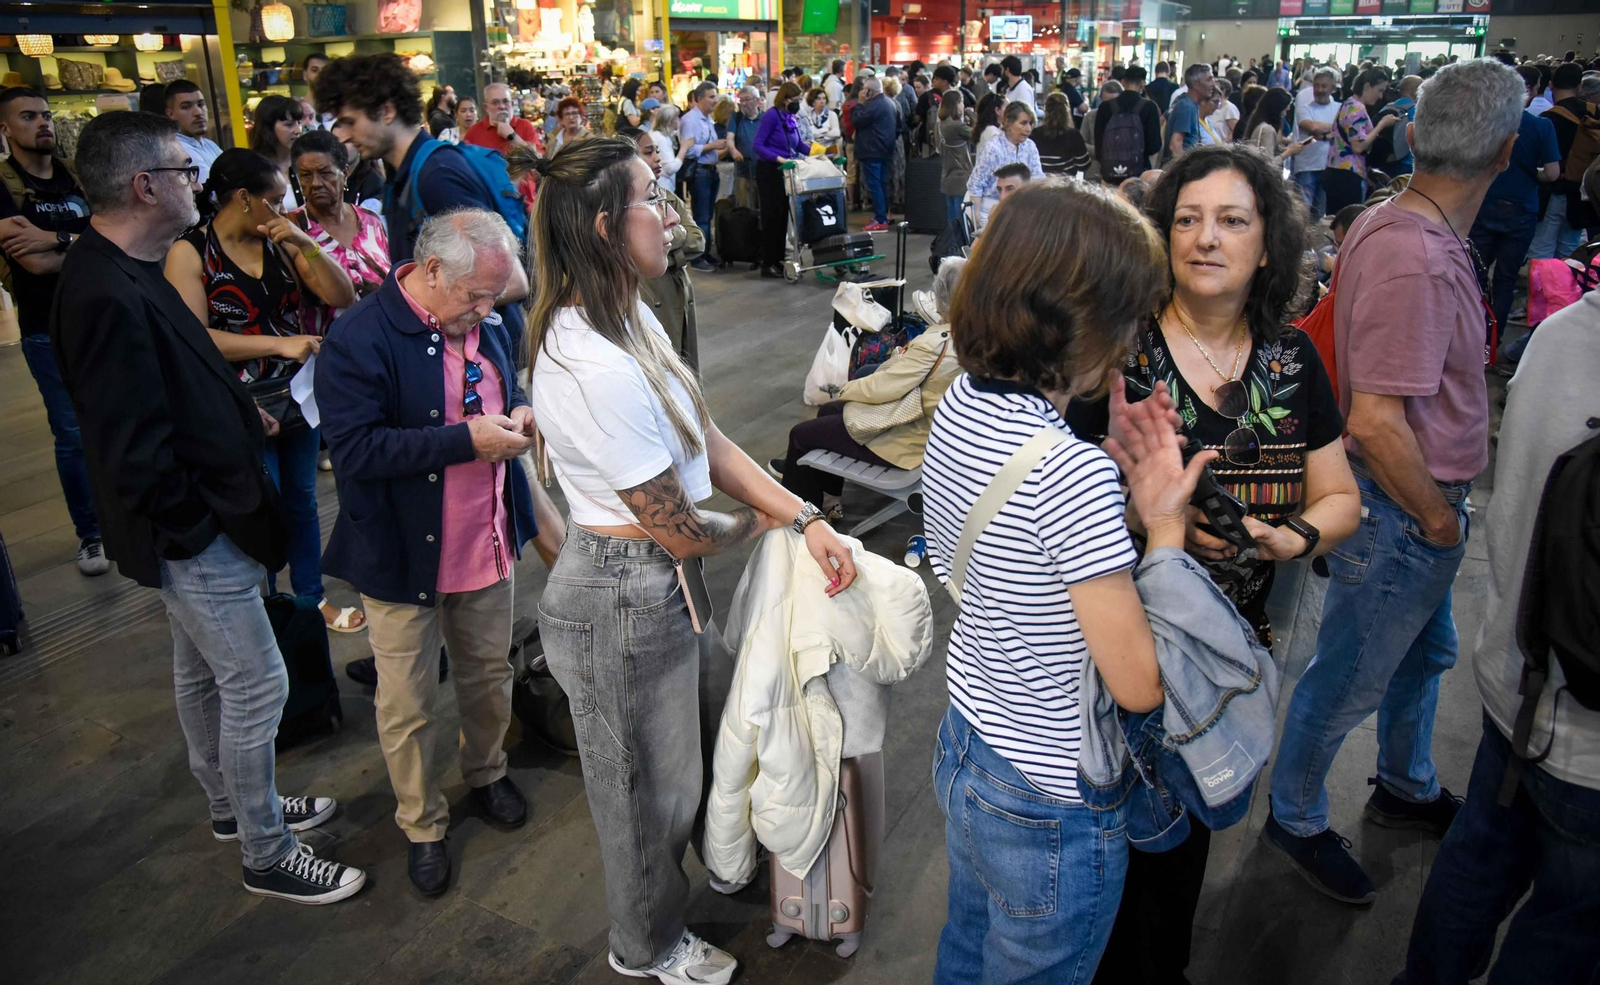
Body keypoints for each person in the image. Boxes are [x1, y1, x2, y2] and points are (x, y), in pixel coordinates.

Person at [524, 134, 857, 985]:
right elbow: (677, 524)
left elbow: (702, 438)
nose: (672, 215)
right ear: (605, 225)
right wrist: (757, 527)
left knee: (689, 759)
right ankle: (644, 945)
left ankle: (695, 884)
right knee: (642, 799)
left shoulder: (628, 310)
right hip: (621, 595)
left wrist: (801, 511)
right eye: (652, 197)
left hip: (660, 583)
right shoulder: (588, 360)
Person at [52, 109, 364, 905]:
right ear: (143, 184)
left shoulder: (134, 261)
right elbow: (126, 444)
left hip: (203, 514)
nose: (197, 182)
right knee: (257, 682)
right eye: (183, 171)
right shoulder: (101, 289)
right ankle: (266, 849)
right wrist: (195, 533)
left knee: (201, 676)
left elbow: (174, 374)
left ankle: (235, 804)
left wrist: (237, 412)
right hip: (193, 528)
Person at [922, 179, 1215, 984]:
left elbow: (1020, 563)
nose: (1130, 342)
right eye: (1125, 319)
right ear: (1078, 321)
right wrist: (1162, 524)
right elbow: (1138, 683)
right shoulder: (1068, 474)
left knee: (967, 948)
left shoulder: (961, 400)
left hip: (972, 741)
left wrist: (1103, 469)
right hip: (1053, 793)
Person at [1081, 145, 1361, 984]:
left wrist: (1295, 538)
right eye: (1187, 219)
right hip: (1114, 653)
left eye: (1232, 220)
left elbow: (1340, 495)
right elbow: (1053, 510)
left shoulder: (1291, 360)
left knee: (1181, 858)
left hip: (1225, 659)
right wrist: (1147, 519)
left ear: (1268, 244)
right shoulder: (1115, 357)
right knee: (1100, 865)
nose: (1206, 238)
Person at [1264, 57, 1526, 906]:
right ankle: (1295, 814)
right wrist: (1439, 523)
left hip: (1414, 505)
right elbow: (1376, 421)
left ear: (1412, 135)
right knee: (1346, 676)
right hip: (1406, 509)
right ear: (1508, 152)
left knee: (1423, 655)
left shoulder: (1393, 219)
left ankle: (1406, 782)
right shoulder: (1413, 252)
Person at [1394, 223, 1600, 984]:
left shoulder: (1558, 335)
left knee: (1477, 861)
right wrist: (1441, 521)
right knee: (1563, 933)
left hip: (1514, 682)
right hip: (1582, 739)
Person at [314, 208, 535, 897]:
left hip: (484, 535)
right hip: (402, 551)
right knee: (406, 701)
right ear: (431, 269)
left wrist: (522, 409)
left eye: (495, 296)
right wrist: (467, 441)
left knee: (487, 674)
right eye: (475, 295)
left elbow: (512, 382)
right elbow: (356, 450)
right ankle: (421, 823)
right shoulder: (359, 336)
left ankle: (488, 772)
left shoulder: (487, 317)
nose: (487, 308)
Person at [164, 148, 360, 630]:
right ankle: (271, 606)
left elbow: (342, 295)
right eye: (275, 199)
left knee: (302, 501)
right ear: (244, 198)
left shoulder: (278, 238)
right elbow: (193, 337)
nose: (284, 207)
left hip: (296, 396)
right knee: (260, 505)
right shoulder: (190, 252)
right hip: (240, 402)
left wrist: (303, 240)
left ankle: (310, 600)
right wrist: (279, 343)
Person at [314, 52, 532, 361]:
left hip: (484, 362)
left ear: (386, 111)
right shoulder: (402, 174)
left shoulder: (436, 174)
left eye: (351, 121)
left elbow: (511, 281)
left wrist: (415, 310)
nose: (345, 136)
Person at [0, 87, 107, 576]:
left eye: (45, 114)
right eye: (28, 116)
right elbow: (32, 263)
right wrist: (79, 244)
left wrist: (56, 239)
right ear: (5, 129)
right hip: (46, 326)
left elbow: (113, 234)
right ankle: (91, 535)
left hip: (103, 316)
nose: (42, 123)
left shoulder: (74, 176)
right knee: (71, 433)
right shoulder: (2, 183)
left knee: (117, 419)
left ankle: (128, 516)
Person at [771, 256, 965, 519]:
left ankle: (800, 526)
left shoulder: (937, 343)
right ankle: (830, 499)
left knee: (801, 436)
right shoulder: (974, 335)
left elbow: (884, 388)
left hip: (907, 441)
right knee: (828, 413)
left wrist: (843, 388)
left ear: (941, 298)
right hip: (933, 431)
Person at [1467, 75, 1560, 340]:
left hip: (1484, 205)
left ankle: (1465, 338)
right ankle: (1491, 343)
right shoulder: (1542, 127)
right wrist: (1533, 172)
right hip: (1521, 210)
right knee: (1505, 281)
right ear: (1529, 92)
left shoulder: (1484, 126)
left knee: (1473, 277)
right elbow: (1553, 174)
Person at [615, 128, 705, 368]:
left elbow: (697, 240)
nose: (657, 158)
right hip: (654, 295)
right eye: (648, 152)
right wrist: (675, 244)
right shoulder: (621, 206)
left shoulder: (669, 197)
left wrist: (665, 249)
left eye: (657, 150)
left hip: (679, 290)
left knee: (686, 364)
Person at [288, 129, 392, 335]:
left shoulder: (370, 220)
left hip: (383, 339)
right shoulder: (293, 228)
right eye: (306, 175)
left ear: (345, 174)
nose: (316, 183)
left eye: (325, 173)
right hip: (329, 347)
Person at [1531, 62, 1596, 261]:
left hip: (1553, 189)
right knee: (1570, 247)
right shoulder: (1594, 113)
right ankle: (1567, 288)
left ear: (1551, 85)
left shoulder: (1547, 119)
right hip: (1582, 191)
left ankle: (1544, 289)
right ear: (1579, 86)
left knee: (1542, 246)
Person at [1325, 67, 1399, 212]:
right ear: (1367, 86)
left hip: (1336, 169)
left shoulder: (1348, 103)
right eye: (1379, 90)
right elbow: (1358, 147)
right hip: (1347, 174)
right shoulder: (1357, 109)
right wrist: (1381, 125)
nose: (1380, 96)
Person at [753, 81, 806, 279]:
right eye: (796, 100)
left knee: (783, 216)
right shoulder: (771, 116)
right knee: (771, 217)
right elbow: (758, 145)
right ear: (785, 100)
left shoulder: (790, 117)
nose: (798, 104)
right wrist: (778, 158)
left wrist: (819, 152)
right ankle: (768, 263)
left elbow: (798, 143)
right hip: (769, 171)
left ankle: (778, 259)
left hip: (786, 171)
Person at [966, 100, 1042, 228]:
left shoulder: (1030, 146)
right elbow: (976, 184)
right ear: (1007, 122)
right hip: (991, 208)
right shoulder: (992, 149)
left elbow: (1037, 178)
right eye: (1023, 123)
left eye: (1031, 123)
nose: (1028, 128)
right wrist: (976, 217)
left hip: (1021, 209)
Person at [679, 82, 728, 269]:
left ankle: (706, 252)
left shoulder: (708, 119)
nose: (715, 101)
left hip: (711, 170)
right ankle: (698, 257)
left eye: (716, 96)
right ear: (699, 99)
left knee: (707, 215)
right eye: (711, 97)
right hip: (699, 172)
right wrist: (712, 146)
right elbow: (688, 150)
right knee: (701, 215)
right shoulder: (690, 120)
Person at [1292, 67, 1342, 220]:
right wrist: (1334, 128)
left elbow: (1342, 130)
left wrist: (1324, 133)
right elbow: (1311, 127)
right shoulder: (1304, 109)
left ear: (1332, 88)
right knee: (1302, 214)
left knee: (1320, 216)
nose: (1319, 90)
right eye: (1316, 85)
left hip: (1329, 166)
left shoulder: (1339, 108)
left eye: (1324, 86)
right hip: (1307, 165)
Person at [852, 75, 898, 232]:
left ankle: (880, 219)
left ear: (869, 91)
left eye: (864, 90)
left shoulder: (872, 106)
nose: (862, 93)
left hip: (872, 150)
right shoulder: (890, 102)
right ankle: (884, 214)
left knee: (875, 184)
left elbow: (856, 120)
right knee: (882, 183)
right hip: (885, 149)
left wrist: (859, 103)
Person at [250, 95, 305, 212]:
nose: (298, 130)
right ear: (268, 128)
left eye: (299, 123)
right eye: (289, 125)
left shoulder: (304, 162)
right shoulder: (256, 171)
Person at [164, 79, 223, 183]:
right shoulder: (176, 148)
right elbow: (213, 191)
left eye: (201, 104)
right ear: (170, 114)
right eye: (186, 107)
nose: (198, 112)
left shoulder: (210, 144)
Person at [465, 82, 543, 156]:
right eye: (495, 103)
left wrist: (513, 137)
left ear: (512, 104)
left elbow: (538, 159)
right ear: (486, 107)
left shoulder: (525, 126)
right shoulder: (474, 132)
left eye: (506, 101)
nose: (502, 106)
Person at [1243, 87, 1311, 165]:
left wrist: (1288, 149)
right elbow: (1268, 163)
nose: (1286, 112)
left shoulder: (1257, 123)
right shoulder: (1268, 130)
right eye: (1285, 109)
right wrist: (1289, 152)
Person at [1032, 91, 1091, 177]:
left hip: (1040, 185)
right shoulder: (1073, 135)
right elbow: (1084, 165)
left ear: (1045, 109)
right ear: (1067, 110)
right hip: (1065, 185)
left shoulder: (1034, 134)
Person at [1165, 62, 1215, 162]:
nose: (1213, 84)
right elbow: (1175, 145)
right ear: (1195, 84)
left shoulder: (1191, 105)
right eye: (1209, 79)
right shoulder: (1186, 106)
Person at [937, 90, 974, 223]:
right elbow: (977, 134)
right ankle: (959, 244)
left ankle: (952, 243)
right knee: (962, 219)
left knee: (951, 219)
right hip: (961, 177)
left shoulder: (939, 126)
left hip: (947, 176)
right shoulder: (957, 126)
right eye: (962, 102)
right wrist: (971, 114)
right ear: (957, 104)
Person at [729, 86, 763, 211]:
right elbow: (730, 138)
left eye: (747, 99)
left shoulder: (765, 118)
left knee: (762, 205)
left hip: (762, 169)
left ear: (757, 100)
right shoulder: (736, 118)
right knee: (744, 207)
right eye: (741, 100)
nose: (743, 104)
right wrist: (734, 151)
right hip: (743, 169)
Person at [648, 102, 691, 195]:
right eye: (676, 117)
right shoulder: (661, 139)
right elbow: (670, 168)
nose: (678, 120)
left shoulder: (655, 134)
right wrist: (684, 148)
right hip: (663, 187)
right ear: (670, 120)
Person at [798, 86, 840, 153]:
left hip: (830, 149)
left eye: (824, 98)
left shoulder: (832, 114)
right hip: (814, 151)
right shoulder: (807, 117)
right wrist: (825, 131)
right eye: (818, 99)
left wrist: (819, 136)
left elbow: (836, 133)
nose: (822, 101)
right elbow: (808, 136)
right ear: (812, 101)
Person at [1208, 77, 1242, 141]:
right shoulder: (1210, 106)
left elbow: (1234, 131)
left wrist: (1223, 144)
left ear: (1223, 91)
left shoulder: (1230, 108)